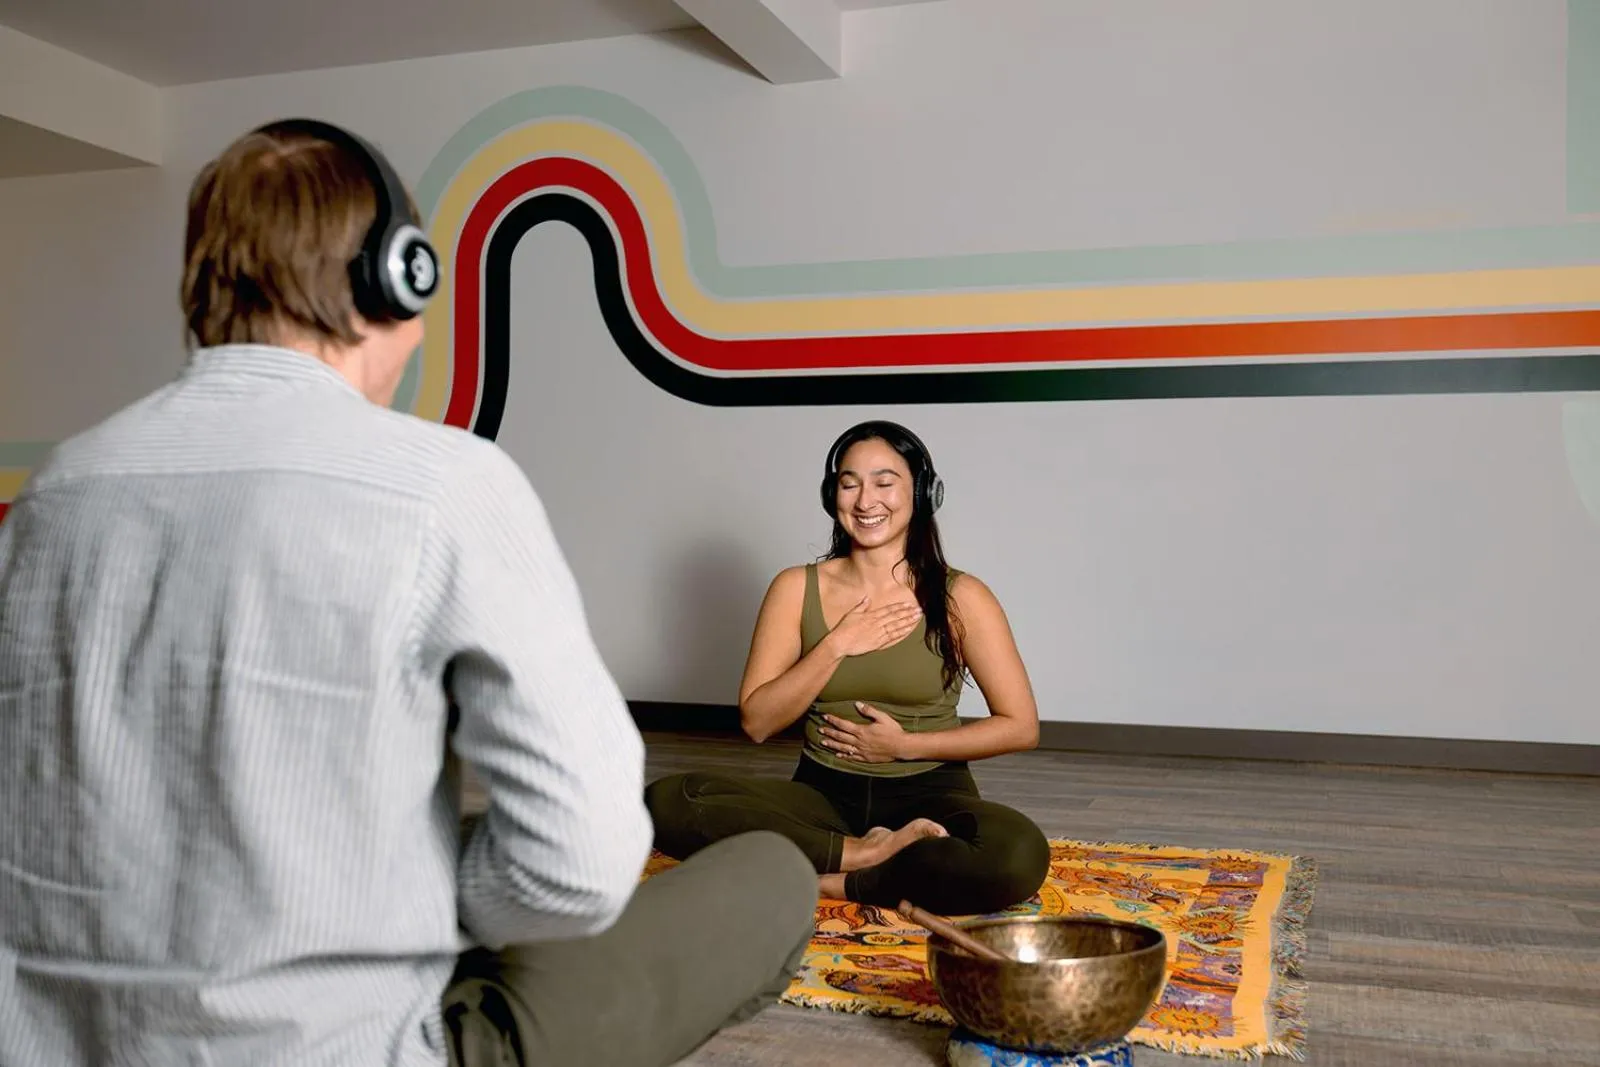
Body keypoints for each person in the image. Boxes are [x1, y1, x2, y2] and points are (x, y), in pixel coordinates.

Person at [0, 119, 816, 1067]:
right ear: (398, 279)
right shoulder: (443, 485)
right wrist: (410, 899)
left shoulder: (56, 490)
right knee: (774, 874)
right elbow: (581, 860)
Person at [646, 421, 1051, 917]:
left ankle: (837, 881)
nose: (865, 501)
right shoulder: (795, 588)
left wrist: (904, 746)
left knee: (1017, 853)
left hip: (931, 793)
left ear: (922, 493)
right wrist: (837, 644)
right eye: (849, 483)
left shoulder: (961, 597)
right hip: (824, 797)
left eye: (884, 482)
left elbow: (1021, 726)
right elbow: (758, 722)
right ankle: (860, 857)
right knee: (669, 801)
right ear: (831, 495)